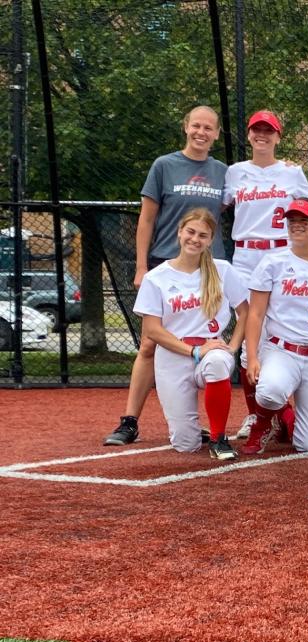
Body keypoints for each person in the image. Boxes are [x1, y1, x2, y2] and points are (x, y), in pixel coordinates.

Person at [104, 105, 226, 446]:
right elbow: (146, 219)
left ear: (216, 134)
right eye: (196, 126)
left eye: (209, 128)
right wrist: (142, 266)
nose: (201, 132)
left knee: (209, 342)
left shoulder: (222, 172)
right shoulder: (164, 165)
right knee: (149, 343)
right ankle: (129, 420)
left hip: (208, 268)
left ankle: (209, 422)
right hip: (166, 262)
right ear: (186, 127)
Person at [222, 109, 308, 439]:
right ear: (248, 135)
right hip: (246, 255)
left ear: (278, 136)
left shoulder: (291, 172)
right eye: (256, 130)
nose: (262, 135)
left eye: (269, 130)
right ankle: (256, 414)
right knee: (250, 335)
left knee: (288, 322)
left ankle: (290, 405)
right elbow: (217, 207)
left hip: (282, 252)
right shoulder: (234, 173)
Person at [132, 208, 247, 460]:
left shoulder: (222, 270)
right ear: (179, 232)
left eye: (203, 235)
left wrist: (233, 346)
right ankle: (194, 431)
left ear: (210, 240)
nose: (195, 239)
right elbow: (152, 330)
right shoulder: (156, 277)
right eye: (190, 232)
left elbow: (245, 311)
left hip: (211, 350)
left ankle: (218, 437)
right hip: (174, 354)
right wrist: (193, 351)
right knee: (186, 443)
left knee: (217, 361)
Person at [241, 198, 308, 454]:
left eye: (304, 221)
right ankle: (263, 422)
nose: (297, 225)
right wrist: (254, 356)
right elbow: (255, 315)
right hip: (283, 351)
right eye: (292, 221)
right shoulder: (272, 263)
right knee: (270, 391)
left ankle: (287, 421)